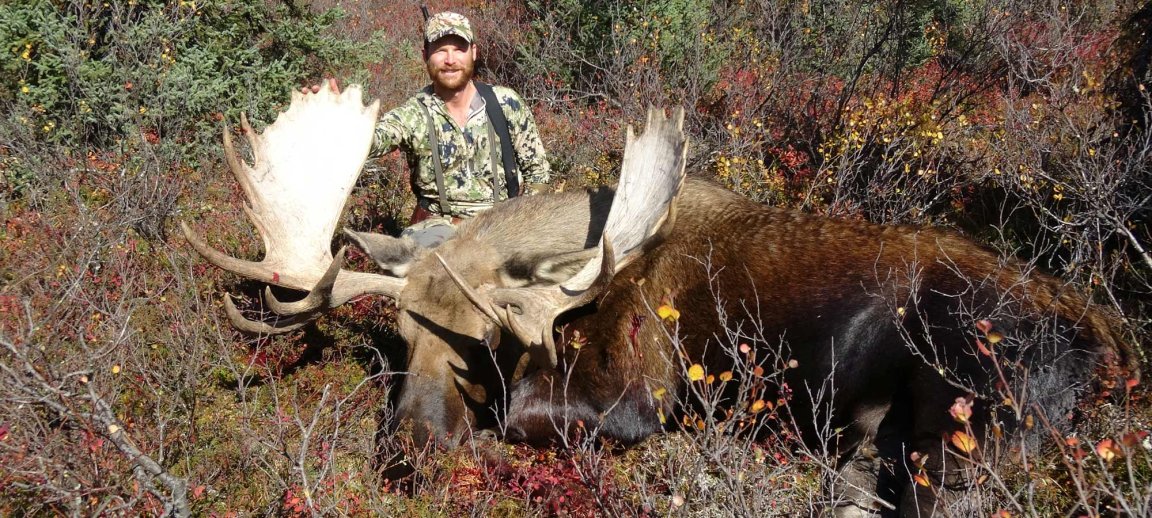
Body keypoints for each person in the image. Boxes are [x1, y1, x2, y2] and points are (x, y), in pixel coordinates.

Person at [311, 11, 552, 247]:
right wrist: (336, 118)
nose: (450, 60)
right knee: (430, 269)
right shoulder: (413, 114)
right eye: (440, 50)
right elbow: (368, 143)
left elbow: (538, 174)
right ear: (425, 55)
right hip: (438, 230)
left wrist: (520, 224)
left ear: (474, 53)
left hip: (502, 225)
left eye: (459, 49)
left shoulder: (506, 103)